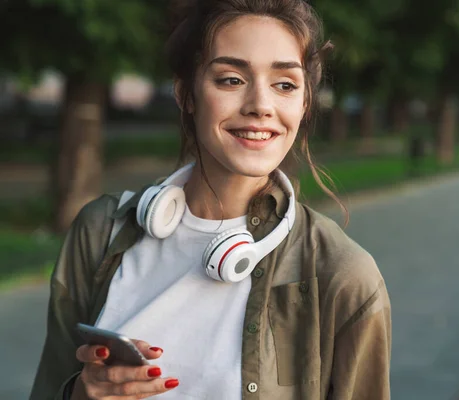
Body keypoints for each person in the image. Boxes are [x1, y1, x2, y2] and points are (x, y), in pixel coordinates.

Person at [30, 0, 392, 398]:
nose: (260, 105)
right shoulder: (100, 231)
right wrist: (82, 392)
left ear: (304, 103)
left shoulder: (344, 276)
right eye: (231, 79)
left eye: (285, 85)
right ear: (186, 94)